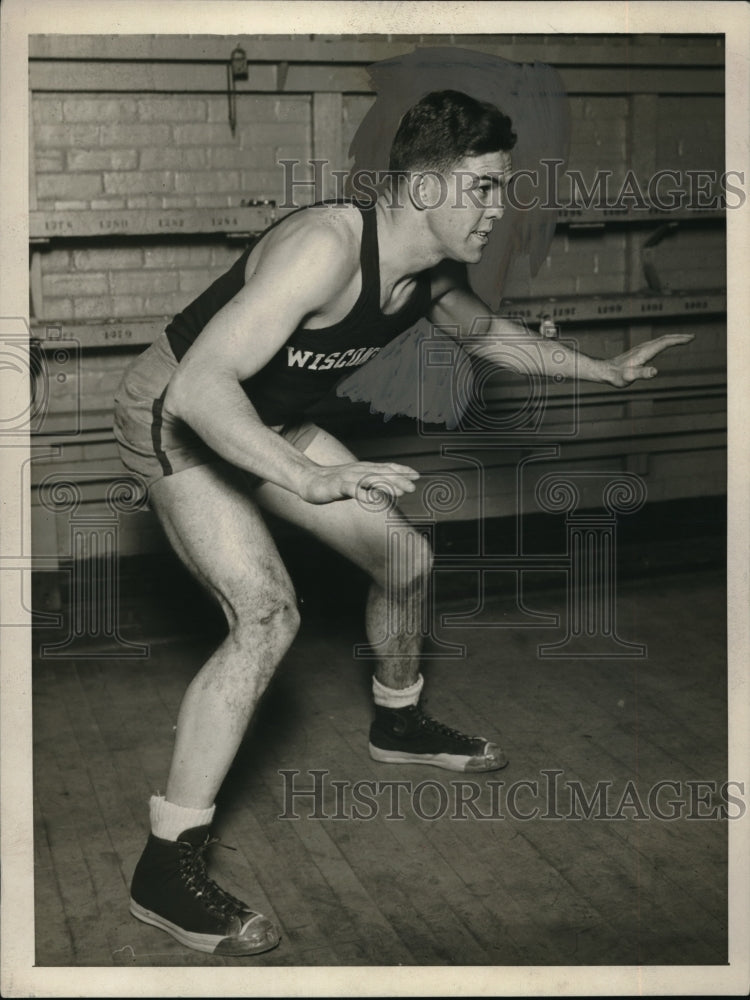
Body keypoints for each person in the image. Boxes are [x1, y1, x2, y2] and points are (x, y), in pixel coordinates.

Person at [113, 90, 691, 957]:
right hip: (176, 420)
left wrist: (604, 373)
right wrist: (307, 478)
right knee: (267, 615)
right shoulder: (325, 250)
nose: (501, 208)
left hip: (269, 424)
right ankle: (165, 863)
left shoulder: (423, 277)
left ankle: (398, 718)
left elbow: (493, 338)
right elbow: (199, 388)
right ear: (425, 189)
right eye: (486, 188)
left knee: (407, 559)